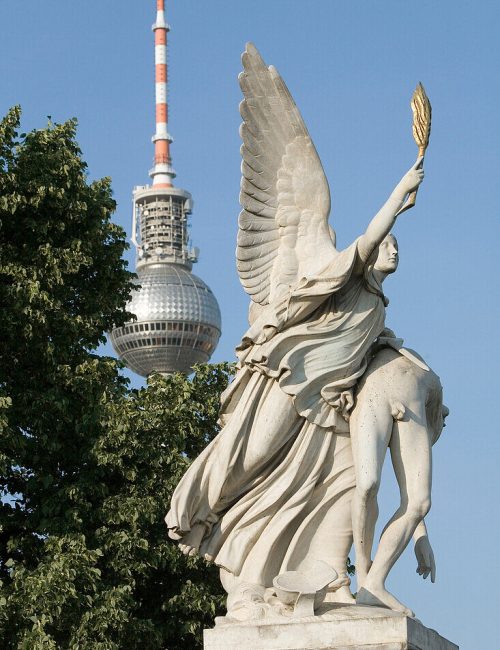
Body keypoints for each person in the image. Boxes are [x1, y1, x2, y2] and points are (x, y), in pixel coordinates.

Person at [165, 161, 424, 616]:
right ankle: (203, 508)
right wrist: (400, 193)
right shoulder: (352, 275)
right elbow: (370, 234)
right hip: (293, 378)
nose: (393, 249)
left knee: (322, 489)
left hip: (328, 409)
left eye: (397, 245)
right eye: (388, 243)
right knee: (252, 455)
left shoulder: (379, 313)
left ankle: (309, 574)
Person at [350, 345, 447, 615]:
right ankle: (363, 576)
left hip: (409, 397)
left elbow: (410, 490)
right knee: (367, 484)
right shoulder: (437, 409)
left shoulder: (429, 405)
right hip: (376, 385)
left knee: (420, 502)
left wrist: (421, 535)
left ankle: (373, 584)